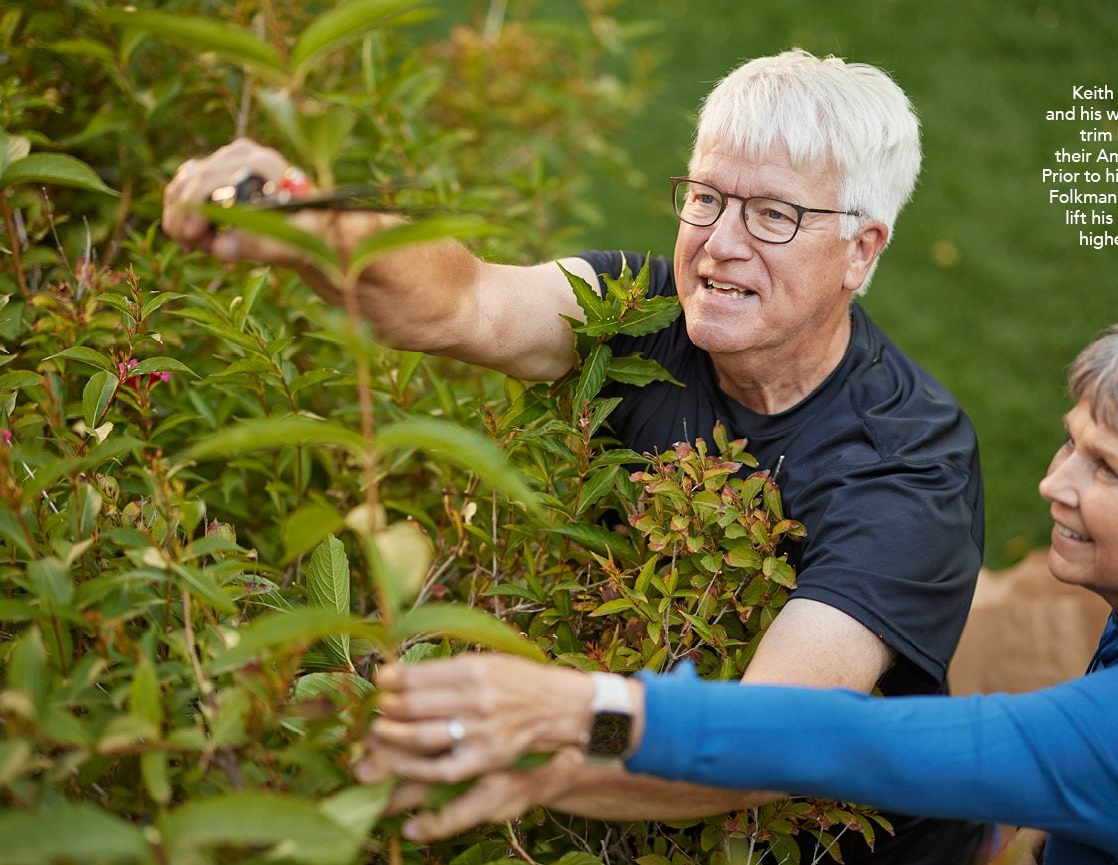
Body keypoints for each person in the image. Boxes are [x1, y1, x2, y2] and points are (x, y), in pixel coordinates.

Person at [163, 50, 986, 861]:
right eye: (705, 197)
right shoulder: (637, 312)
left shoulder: (909, 463)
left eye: (773, 214)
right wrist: (304, 214)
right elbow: (465, 299)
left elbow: (772, 740)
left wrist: (534, 752)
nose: (718, 244)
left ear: (861, 249)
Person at [357, 318, 1118, 865]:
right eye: (1070, 442)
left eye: (1106, 468)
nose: (1054, 483)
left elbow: (851, 737)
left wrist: (577, 704)